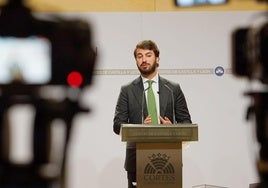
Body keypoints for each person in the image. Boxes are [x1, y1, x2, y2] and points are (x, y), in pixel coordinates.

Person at [113, 40, 192, 188]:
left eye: (148, 55)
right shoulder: (127, 90)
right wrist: (140, 128)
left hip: (168, 161)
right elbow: (117, 125)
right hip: (136, 161)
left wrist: (172, 128)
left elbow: (186, 123)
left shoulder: (173, 89)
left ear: (157, 58)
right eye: (139, 56)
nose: (143, 60)